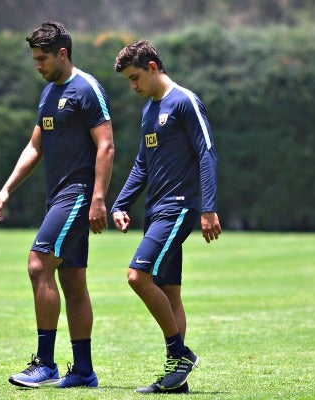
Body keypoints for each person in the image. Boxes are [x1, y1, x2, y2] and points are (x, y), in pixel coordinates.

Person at [0, 21, 114, 389]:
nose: (38, 66)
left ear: (63, 53)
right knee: (72, 280)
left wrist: (98, 199)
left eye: (43, 59)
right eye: (34, 59)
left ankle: (45, 363)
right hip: (58, 195)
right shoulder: (47, 95)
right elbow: (35, 147)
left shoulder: (86, 89)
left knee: (37, 263)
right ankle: (83, 371)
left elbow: (106, 145)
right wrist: (7, 188)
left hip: (77, 194)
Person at [111, 40, 222, 394]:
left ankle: (180, 353)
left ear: (154, 66)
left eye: (135, 78)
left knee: (137, 276)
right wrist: (120, 203)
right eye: (128, 81)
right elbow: (142, 164)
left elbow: (206, 154)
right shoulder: (149, 111)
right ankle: (177, 379)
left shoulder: (184, 102)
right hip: (156, 209)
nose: (133, 87)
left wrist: (208, 207)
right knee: (170, 292)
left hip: (178, 207)